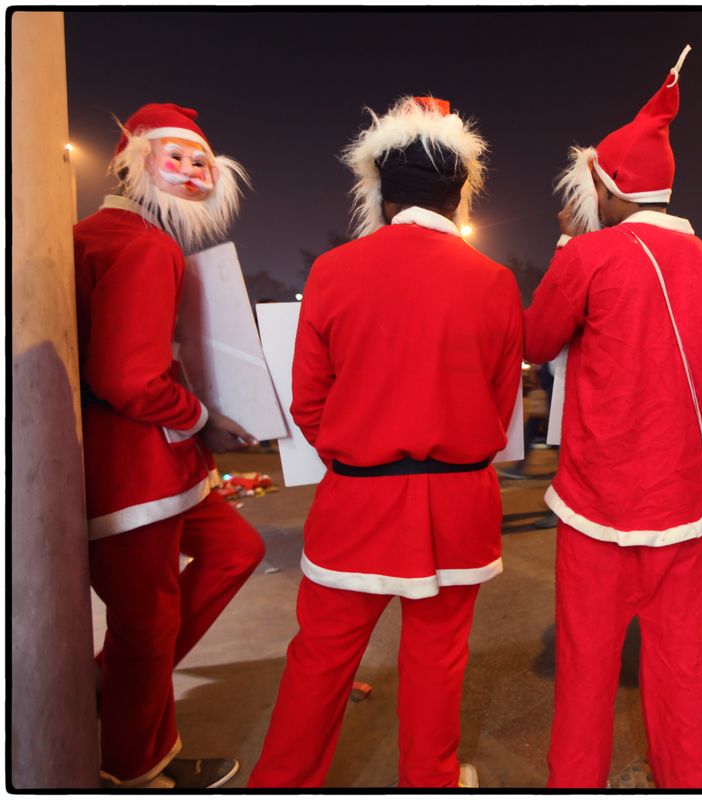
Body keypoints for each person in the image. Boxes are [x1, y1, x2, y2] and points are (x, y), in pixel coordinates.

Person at [248, 96, 523, 788]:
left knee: (321, 658)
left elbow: (308, 400)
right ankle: (429, 778)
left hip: (359, 500)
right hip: (460, 499)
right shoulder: (494, 282)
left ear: (382, 190)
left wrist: (355, 443)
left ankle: (282, 782)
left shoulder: (335, 272)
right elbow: (500, 402)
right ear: (459, 194)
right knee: (438, 657)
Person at [524, 47, 702, 788]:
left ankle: (575, 781)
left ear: (608, 187)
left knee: (587, 663)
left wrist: (564, 241)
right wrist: (699, 476)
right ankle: (688, 779)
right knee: (681, 663)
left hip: (599, 504)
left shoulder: (591, 255)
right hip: (687, 503)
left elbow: (535, 341)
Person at [73, 103, 265, 789]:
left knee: (235, 551)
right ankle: (134, 764)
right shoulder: (147, 246)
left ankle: (111, 684)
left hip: (158, 465)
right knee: (145, 626)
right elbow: (125, 377)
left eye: (199, 162)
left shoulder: (97, 234)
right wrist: (203, 415)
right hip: (136, 470)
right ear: (136, 161)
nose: (188, 172)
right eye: (176, 157)